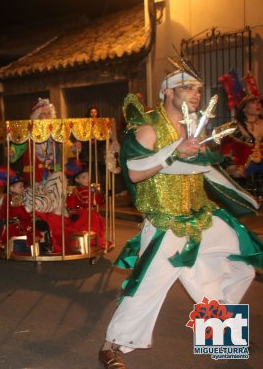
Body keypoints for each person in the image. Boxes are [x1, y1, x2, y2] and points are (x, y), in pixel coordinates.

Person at [98, 65, 262, 368]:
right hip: (167, 223)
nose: (196, 94)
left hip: (202, 216)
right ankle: (112, 346)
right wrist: (173, 152)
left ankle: (222, 337)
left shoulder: (193, 127)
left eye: (199, 89)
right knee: (147, 285)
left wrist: (241, 196)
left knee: (240, 266)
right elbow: (134, 172)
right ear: (168, 92)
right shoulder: (149, 128)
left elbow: (205, 170)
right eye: (188, 88)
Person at [10, 98, 80, 183]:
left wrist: (74, 147)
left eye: (49, 113)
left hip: (54, 174)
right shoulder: (28, 133)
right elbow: (19, 146)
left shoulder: (57, 132)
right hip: (35, 176)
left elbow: (66, 146)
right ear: (36, 116)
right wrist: (12, 151)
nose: (47, 116)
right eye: (43, 114)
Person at [219, 70, 263, 202]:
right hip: (244, 182)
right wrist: (232, 168)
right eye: (253, 103)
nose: (258, 105)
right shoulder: (232, 129)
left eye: (258, 102)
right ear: (243, 108)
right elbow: (223, 155)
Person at [66, 167, 106, 249]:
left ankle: (94, 242)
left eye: (88, 176)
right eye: (84, 177)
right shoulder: (75, 191)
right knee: (82, 224)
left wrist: (101, 195)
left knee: (95, 219)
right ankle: (81, 243)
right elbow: (71, 204)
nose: (87, 179)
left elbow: (99, 202)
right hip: (81, 213)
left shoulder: (92, 189)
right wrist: (72, 212)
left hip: (91, 212)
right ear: (77, 180)